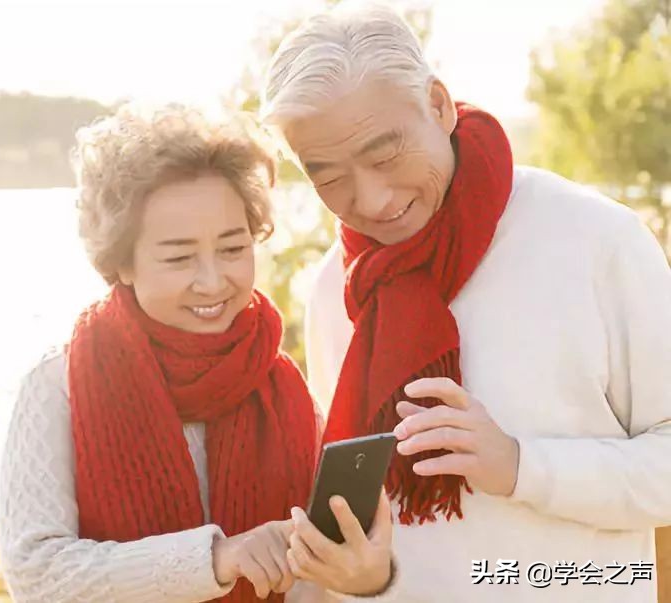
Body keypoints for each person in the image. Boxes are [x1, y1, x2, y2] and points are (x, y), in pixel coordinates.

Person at [260, 2, 671, 601]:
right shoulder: (334, 288)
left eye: (384, 155)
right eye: (327, 177)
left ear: (439, 104)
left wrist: (520, 466)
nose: (371, 200)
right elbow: (377, 529)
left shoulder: (594, 240)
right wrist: (365, 581)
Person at [0, 103, 396, 602]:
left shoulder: (280, 384)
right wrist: (216, 558)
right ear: (122, 263)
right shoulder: (57, 385)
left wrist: (368, 580)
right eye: (180, 257)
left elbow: (315, 576)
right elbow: (38, 576)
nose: (212, 282)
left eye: (232, 249)